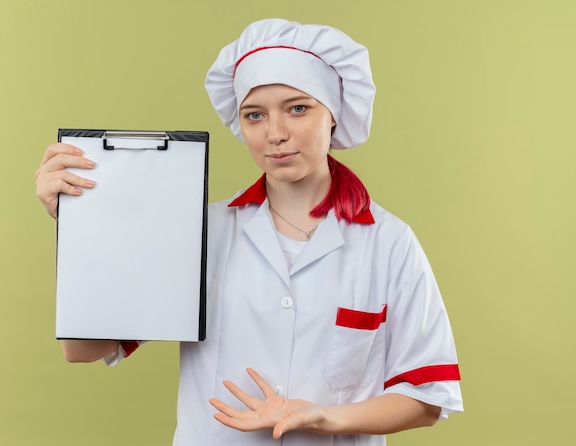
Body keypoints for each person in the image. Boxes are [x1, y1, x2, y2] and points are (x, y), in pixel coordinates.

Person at [35, 18, 462, 446]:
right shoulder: (199, 231)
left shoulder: (388, 242)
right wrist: (80, 227)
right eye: (255, 115)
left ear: (333, 114)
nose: (275, 134)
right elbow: (83, 349)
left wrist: (322, 417)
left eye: (298, 108)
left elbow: (426, 397)